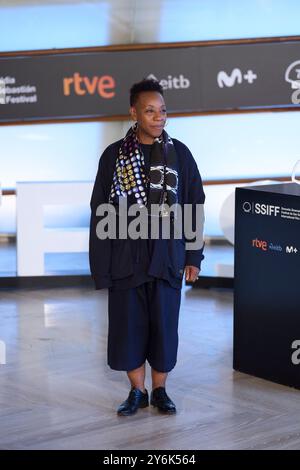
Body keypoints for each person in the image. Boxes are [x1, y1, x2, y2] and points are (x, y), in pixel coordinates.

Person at [89, 78, 205, 416]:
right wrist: (102, 266)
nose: (158, 117)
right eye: (150, 111)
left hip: (167, 257)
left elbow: (193, 205)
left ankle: (160, 390)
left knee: (164, 327)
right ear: (134, 113)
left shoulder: (179, 154)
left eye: (163, 110)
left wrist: (193, 256)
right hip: (126, 259)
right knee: (128, 328)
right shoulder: (113, 157)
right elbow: (101, 212)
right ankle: (136, 392)